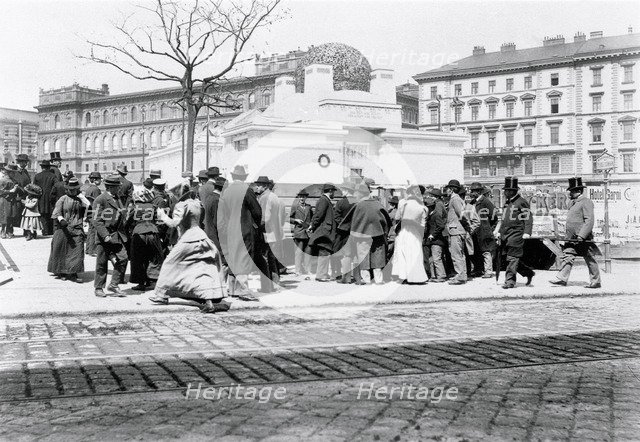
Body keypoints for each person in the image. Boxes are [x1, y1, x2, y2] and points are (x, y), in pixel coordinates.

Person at [148, 199, 230, 313]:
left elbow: (174, 223)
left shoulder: (181, 205)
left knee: (169, 264)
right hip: (202, 237)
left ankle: (161, 295)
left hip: (188, 239)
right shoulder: (197, 204)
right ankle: (208, 301)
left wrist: (162, 216)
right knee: (202, 270)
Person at [218, 165, 272, 299]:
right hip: (245, 229)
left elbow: (223, 213)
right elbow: (257, 211)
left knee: (234, 257)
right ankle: (244, 290)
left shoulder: (227, 191)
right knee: (246, 258)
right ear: (244, 177)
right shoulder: (246, 190)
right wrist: (256, 225)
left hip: (231, 230)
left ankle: (232, 289)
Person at [550, 177, 601, 289]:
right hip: (572, 238)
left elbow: (589, 220)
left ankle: (596, 281)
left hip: (582, 237)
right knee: (568, 255)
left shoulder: (586, 202)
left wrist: (581, 235)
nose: (570, 193)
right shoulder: (573, 203)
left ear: (578, 191)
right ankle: (562, 279)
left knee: (590, 258)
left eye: (572, 191)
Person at [341, 183, 390, 284]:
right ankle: (378, 280)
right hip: (378, 235)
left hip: (362, 236)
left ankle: (366, 280)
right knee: (378, 258)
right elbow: (387, 221)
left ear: (360, 194)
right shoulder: (378, 204)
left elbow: (352, 222)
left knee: (364, 258)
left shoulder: (358, 205)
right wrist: (384, 232)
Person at [47, 177, 91, 282]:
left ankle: (73, 273)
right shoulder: (63, 198)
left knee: (77, 251)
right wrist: (61, 219)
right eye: (70, 189)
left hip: (77, 227)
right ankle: (62, 271)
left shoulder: (80, 199)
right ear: (67, 189)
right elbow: (57, 211)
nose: (72, 191)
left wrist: (82, 197)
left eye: (75, 189)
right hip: (63, 228)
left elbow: (89, 206)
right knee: (62, 250)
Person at [495, 176, 535, 289]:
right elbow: (503, 219)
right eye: (505, 190)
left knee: (512, 258)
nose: (505, 192)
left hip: (517, 234)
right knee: (509, 258)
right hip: (506, 235)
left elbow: (528, 217)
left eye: (507, 190)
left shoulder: (521, 202)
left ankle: (510, 281)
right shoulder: (507, 203)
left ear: (513, 191)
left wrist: (527, 232)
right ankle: (528, 272)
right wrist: (498, 231)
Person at [93, 175, 128, 297]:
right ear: (110, 187)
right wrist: (105, 235)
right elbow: (96, 220)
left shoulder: (118, 198)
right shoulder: (100, 199)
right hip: (105, 236)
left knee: (123, 258)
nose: (119, 188)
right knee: (102, 263)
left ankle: (114, 284)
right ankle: (98, 288)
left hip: (117, 235)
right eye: (117, 187)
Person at [126, 188, 164, 291]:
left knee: (138, 259)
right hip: (153, 233)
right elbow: (161, 221)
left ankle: (141, 283)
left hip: (139, 233)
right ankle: (152, 281)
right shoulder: (154, 207)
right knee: (154, 257)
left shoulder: (135, 208)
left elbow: (128, 222)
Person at [392, 185, 429, 284]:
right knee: (415, 254)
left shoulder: (403, 203)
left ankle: (403, 276)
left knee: (402, 253)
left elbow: (397, 217)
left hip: (404, 230)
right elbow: (423, 223)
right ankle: (416, 277)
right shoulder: (423, 207)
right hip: (416, 232)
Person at [254, 176, 283, 286]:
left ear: (265, 186)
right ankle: (275, 283)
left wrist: (255, 228)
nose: (257, 187)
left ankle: (266, 286)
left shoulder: (265, 197)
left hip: (266, 233)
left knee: (264, 259)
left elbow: (265, 218)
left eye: (259, 185)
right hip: (275, 232)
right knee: (272, 259)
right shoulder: (274, 196)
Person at [308, 183, 337, 282]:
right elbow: (318, 215)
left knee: (325, 251)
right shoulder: (324, 200)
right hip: (324, 231)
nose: (334, 193)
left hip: (325, 230)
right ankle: (321, 275)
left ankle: (323, 273)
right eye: (333, 191)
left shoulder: (325, 200)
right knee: (324, 251)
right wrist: (313, 225)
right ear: (330, 191)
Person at [202, 176, 228, 285]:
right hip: (216, 236)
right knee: (224, 261)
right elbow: (219, 222)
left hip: (208, 232)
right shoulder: (218, 200)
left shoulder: (209, 197)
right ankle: (220, 285)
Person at [469, 182, 498, 278]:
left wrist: (489, 227)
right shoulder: (473, 202)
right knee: (477, 250)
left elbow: (494, 216)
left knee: (486, 250)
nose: (472, 192)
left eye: (473, 191)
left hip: (484, 230)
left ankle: (488, 271)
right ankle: (478, 270)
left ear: (479, 191)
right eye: (471, 190)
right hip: (475, 230)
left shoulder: (485, 201)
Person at [443, 179, 468, 285]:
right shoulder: (455, 199)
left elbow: (462, 215)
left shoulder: (455, 199)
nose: (446, 191)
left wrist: (465, 225)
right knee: (460, 254)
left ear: (451, 189)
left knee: (456, 254)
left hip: (456, 230)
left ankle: (460, 276)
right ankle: (462, 275)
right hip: (458, 230)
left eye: (447, 189)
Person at [333, 182, 358, 283]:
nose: (342, 191)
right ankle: (358, 278)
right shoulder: (358, 202)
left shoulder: (341, 202)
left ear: (347, 191)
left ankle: (346, 279)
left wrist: (344, 226)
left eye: (343, 190)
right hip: (356, 231)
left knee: (347, 255)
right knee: (356, 255)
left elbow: (336, 217)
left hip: (345, 233)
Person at [424, 188, 447, 282]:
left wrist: (432, 235)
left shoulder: (436, 214)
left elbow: (441, 226)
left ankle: (441, 276)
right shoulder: (431, 214)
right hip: (433, 239)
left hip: (437, 239)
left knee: (436, 258)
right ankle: (434, 276)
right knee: (432, 259)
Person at [289, 189, 313, 277]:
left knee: (308, 252)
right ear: (298, 197)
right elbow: (288, 218)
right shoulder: (295, 206)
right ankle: (297, 271)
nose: (302, 198)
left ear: (306, 197)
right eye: (300, 196)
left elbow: (313, 218)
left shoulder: (309, 207)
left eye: (304, 196)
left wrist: (311, 225)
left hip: (308, 233)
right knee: (298, 252)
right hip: (299, 232)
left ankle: (308, 270)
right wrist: (296, 220)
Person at [33, 159, 57, 236]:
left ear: (42, 167)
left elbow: (34, 188)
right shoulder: (53, 176)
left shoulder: (37, 176)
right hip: (51, 198)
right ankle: (50, 231)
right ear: (49, 167)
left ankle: (44, 231)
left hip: (40, 198)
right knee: (50, 214)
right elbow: (56, 186)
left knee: (42, 214)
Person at [12, 154, 31, 236]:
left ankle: (26, 231)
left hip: (25, 196)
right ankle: (9, 231)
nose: (26, 164)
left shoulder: (25, 171)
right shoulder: (14, 171)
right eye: (25, 162)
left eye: (26, 162)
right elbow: (12, 183)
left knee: (25, 214)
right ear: (20, 162)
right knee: (14, 214)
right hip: (16, 197)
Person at [84, 172, 103, 256]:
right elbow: (98, 202)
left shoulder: (88, 189)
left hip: (88, 212)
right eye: (99, 179)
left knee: (90, 230)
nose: (100, 181)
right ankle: (92, 250)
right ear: (95, 180)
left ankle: (88, 249)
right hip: (94, 212)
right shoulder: (96, 189)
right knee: (94, 232)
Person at [0, 164, 19, 239]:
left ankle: (9, 231)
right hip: (5, 200)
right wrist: (10, 191)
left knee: (11, 215)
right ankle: (3, 231)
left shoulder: (14, 181)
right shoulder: (3, 180)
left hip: (12, 200)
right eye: (12, 172)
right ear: (8, 172)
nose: (14, 174)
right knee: (5, 215)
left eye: (14, 173)